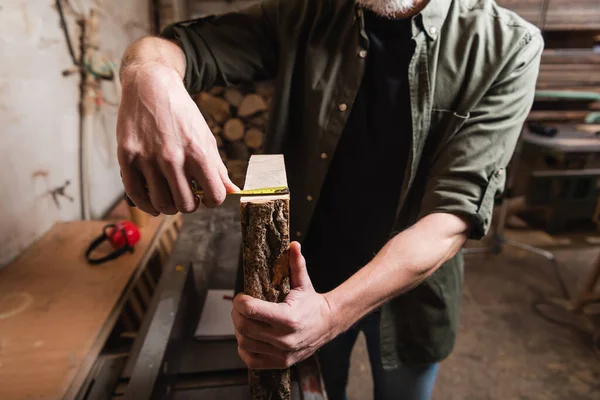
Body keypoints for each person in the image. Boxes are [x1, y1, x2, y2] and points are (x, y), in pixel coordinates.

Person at [116, 0, 542, 398]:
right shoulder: (307, 11)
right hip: (304, 279)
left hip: (412, 294)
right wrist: (147, 74)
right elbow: (180, 48)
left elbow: (452, 213)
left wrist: (332, 314)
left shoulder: (507, 46)